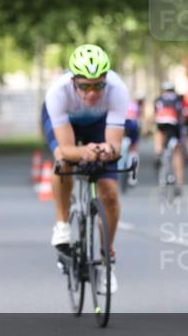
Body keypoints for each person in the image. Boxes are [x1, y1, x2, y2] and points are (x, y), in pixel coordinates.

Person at [43, 44, 130, 293]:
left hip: (98, 124)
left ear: (106, 80)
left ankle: (106, 259)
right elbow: (67, 149)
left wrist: (104, 151)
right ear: (73, 82)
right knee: (62, 162)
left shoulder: (117, 90)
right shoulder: (57, 93)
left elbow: (115, 145)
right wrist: (82, 152)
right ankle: (62, 225)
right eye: (84, 86)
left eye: (98, 85)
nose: (92, 92)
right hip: (66, 123)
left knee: (110, 194)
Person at [153, 80, 187, 190]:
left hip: (161, 122)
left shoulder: (159, 99)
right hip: (175, 125)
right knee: (177, 153)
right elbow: (182, 115)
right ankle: (179, 183)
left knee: (158, 132)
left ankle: (158, 152)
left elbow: (155, 115)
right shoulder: (178, 99)